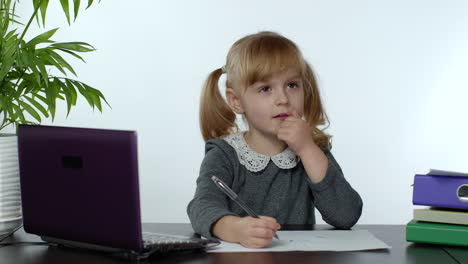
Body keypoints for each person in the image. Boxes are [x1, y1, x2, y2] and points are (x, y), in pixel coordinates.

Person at [187, 31, 362, 249]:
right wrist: (236, 229)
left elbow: (346, 216)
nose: (283, 99)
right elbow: (201, 206)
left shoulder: (312, 150)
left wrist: (308, 151)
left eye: (292, 85)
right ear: (236, 101)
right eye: (265, 89)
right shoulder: (224, 154)